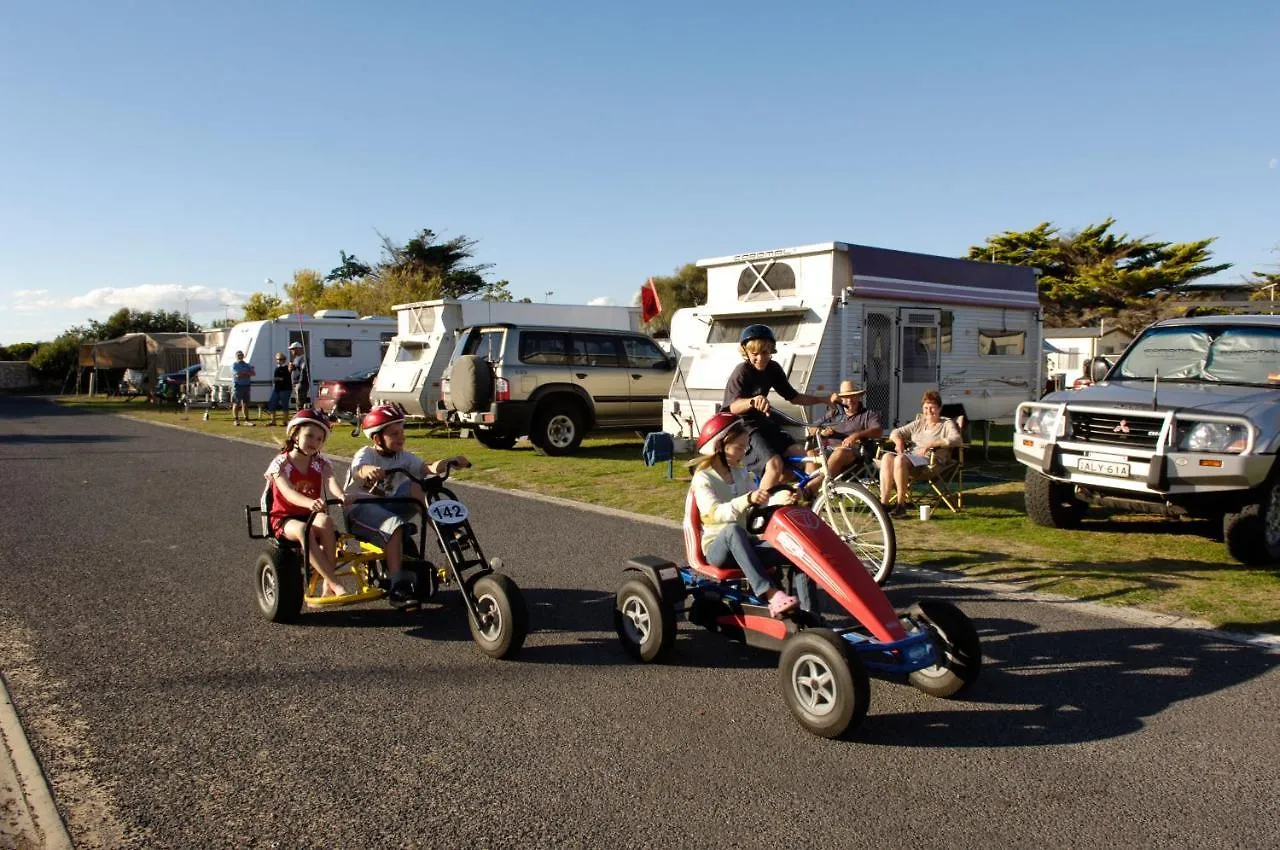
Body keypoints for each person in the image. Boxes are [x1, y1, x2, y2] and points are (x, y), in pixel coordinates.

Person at [344, 404, 471, 607]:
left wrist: (449, 461)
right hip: (360, 509)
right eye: (394, 434)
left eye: (402, 432)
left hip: (389, 507)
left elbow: (427, 468)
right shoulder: (367, 454)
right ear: (377, 438)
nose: (401, 437)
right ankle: (397, 589)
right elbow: (358, 469)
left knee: (416, 486)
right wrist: (369, 470)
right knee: (395, 526)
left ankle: (446, 534)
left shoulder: (403, 457)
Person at [690, 412, 812, 618]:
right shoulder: (703, 479)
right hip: (718, 550)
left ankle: (810, 615)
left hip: (746, 544)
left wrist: (783, 497)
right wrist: (746, 499)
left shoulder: (741, 473)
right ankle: (770, 594)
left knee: (798, 551)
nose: (743, 453)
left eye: (745, 447)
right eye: (739, 448)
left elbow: (761, 500)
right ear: (719, 447)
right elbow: (714, 514)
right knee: (732, 529)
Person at [723, 324, 841, 493]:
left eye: (765, 353)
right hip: (743, 428)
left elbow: (794, 397)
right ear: (746, 353)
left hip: (764, 424)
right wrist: (752, 401)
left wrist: (823, 399)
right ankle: (758, 512)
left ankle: (808, 497)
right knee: (775, 465)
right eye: (754, 354)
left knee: (804, 456)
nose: (760, 358)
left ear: (771, 350)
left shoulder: (773, 368)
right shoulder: (742, 371)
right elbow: (733, 407)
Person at [264, 409, 349, 598]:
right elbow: (288, 493)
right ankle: (336, 582)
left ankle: (328, 583)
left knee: (327, 522)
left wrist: (342, 495)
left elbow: (330, 482)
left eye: (319, 439)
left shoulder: (320, 463)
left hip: (311, 513)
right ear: (294, 435)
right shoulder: (281, 464)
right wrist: (310, 502)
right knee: (304, 530)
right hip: (285, 518)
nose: (314, 442)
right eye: (309, 436)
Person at [878, 389, 962, 517]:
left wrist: (932, 444)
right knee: (887, 457)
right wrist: (899, 442)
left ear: (939, 409)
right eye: (926, 407)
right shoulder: (919, 423)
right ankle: (884, 505)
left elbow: (957, 439)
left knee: (900, 459)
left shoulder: (946, 424)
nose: (928, 411)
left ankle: (901, 505)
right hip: (910, 460)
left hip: (931, 463)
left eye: (932, 408)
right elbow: (895, 432)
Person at [807, 379, 884, 482]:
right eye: (846, 397)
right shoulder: (834, 414)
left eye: (853, 396)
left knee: (839, 453)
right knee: (811, 454)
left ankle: (817, 484)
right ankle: (813, 489)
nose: (850, 400)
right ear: (841, 399)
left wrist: (856, 435)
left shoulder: (868, 415)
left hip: (853, 454)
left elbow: (878, 431)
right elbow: (811, 428)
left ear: (859, 397)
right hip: (830, 450)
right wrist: (822, 431)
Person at [230, 350, 256, 426]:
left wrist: (243, 374)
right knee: (236, 403)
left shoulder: (247, 365)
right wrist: (247, 374)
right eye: (238, 355)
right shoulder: (234, 365)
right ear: (236, 357)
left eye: (241, 355)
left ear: (243, 356)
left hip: (246, 386)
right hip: (238, 386)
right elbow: (237, 375)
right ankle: (236, 420)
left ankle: (246, 420)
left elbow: (253, 373)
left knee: (245, 404)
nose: (240, 356)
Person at [265, 353, 291, 426]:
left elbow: (285, 378)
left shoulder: (286, 368)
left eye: (281, 359)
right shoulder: (277, 368)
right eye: (278, 359)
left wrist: (277, 379)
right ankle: (273, 421)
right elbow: (277, 379)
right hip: (277, 389)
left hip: (285, 389)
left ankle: (285, 422)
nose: (279, 361)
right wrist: (277, 379)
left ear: (284, 360)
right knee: (272, 403)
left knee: (284, 405)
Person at [288, 341, 310, 410]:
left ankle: (300, 416)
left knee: (300, 402)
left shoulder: (303, 358)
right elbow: (293, 370)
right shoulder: (295, 359)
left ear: (298, 349)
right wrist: (291, 367)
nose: (291, 351)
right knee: (297, 401)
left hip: (300, 383)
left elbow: (303, 370)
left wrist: (300, 383)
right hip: (295, 383)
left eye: (292, 349)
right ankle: (299, 414)